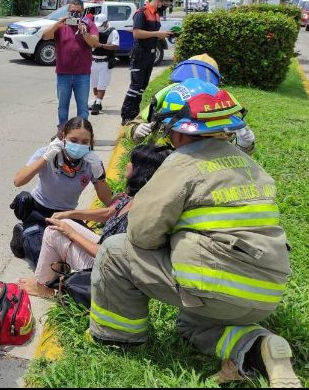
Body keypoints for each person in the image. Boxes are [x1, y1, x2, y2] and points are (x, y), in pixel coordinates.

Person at [89, 79, 299, 388]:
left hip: (215, 286)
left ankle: (118, 339)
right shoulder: (249, 164)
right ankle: (258, 346)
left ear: (179, 129)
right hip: (265, 293)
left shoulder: (183, 162)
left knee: (115, 251)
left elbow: (142, 233)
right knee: (190, 325)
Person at [18, 144, 172, 297]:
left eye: (133, 162)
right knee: (61, 225)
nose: (128, 164)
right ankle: (52, 278)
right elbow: (108, 212)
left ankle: (43, 288)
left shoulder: (140, 213)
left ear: (143, 170)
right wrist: (70, 214)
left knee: (54, 232)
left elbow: (108, 255)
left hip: (108, 268)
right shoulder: (134, 196)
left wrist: (71, 233)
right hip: (105, 249)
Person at [10, 117, 112, 267]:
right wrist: (45, 158)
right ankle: (22, 234)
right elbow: (18, 180)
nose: (79, 145)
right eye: (74, 140)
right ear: (63, 136)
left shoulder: (92, 163)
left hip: (66, 215)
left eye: (85, 142)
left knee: (91, 251)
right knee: (47, 262)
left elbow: (108, 200)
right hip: (38, 211)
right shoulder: (48, 153)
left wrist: (100, 176)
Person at [125, 53, 256, 154]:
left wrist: (245, 146)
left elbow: (227, 155)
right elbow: (131, 126)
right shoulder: (169, 97)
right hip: (161, 157)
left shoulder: (218, 107)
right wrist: (136, 130)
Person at [40, 0, 100, 129]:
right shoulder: (61, 26)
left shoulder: (88, 24)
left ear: (83, 12)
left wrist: (84, 33)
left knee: (83, 107)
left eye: (78, 12)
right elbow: (45, 36)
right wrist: (58, 24)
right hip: (63, 74)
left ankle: (81, 134)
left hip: (82, 75)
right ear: (68, 11)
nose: (75, 14)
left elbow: (95, 43)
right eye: (72, 11)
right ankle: (62, 133)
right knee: (62, 107)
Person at [120, 0, 174, 125]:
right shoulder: (142, 13)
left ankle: (134, 113)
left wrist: (166, 34)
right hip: (140, 53)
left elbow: (154, 32)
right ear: (158, 0)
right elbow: (136, 33)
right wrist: (157, 34)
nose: (165, 8)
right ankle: (126, 116)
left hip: (150, 54)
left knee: (142, 86)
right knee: (135, 86)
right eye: (165, 5)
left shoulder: (156, 14)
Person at [89, 13, 120, 115]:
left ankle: (98, 103)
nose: (99, 28)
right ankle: (96, 101)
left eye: (101, 25)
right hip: (93, 61)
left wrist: (101, 45)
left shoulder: (113, 32)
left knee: (101, 84)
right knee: (94, 84)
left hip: (105, 62)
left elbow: (115, 46)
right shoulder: (93, 29)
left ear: (106, 23)